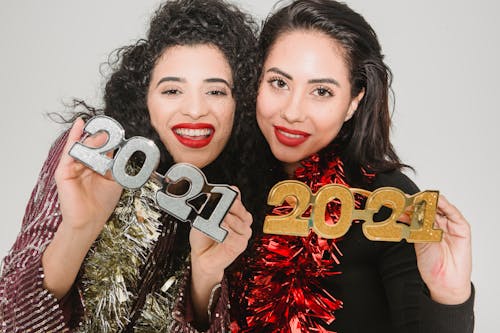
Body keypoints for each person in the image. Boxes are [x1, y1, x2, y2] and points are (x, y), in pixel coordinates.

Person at [0, 0, 263, 332]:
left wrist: (206, 275)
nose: (195, 110)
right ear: (145, 99)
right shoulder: (95, 159)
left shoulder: (237, 205)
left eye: (215, 91)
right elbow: (11, 322)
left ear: (239, 106)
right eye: (172, 90)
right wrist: (79, 229)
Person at [227, 0, 474, 332]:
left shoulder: (389, 203)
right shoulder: (229, 184)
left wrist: (448, 295)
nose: (292, 111)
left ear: (353, 102)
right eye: (279, 83)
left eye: (322, 91)